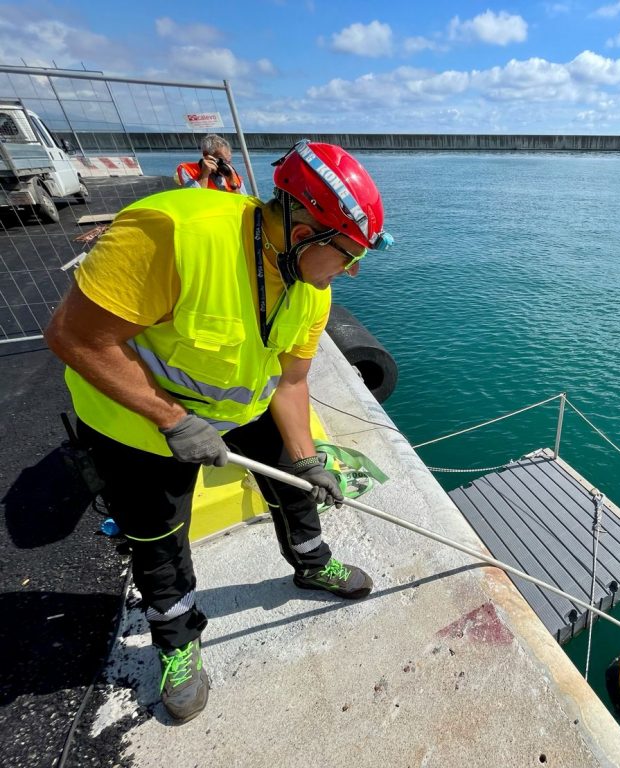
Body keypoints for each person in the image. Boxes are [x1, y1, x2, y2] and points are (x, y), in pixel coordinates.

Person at [45, 140, 394, 723]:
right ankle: (178, 640)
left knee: (296, 486)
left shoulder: (312, 289)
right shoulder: (173, 234)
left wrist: (306, 462)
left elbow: (290, 380)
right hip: (137, 422)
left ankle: (311, 562)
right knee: (157, 538)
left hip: (241, 408)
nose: (353, 269)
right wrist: (174, 421)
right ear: (305, 227)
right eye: (347, 252)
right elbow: (75, 337)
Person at [175, 133, 247, 193]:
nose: (226, 165)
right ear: (206, 154)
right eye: (222, 161)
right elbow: (194, 200)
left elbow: (244, 203)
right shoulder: (187, 169)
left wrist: (232, 184)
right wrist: (204, 175)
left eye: (228, 161)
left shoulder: (232, 174)